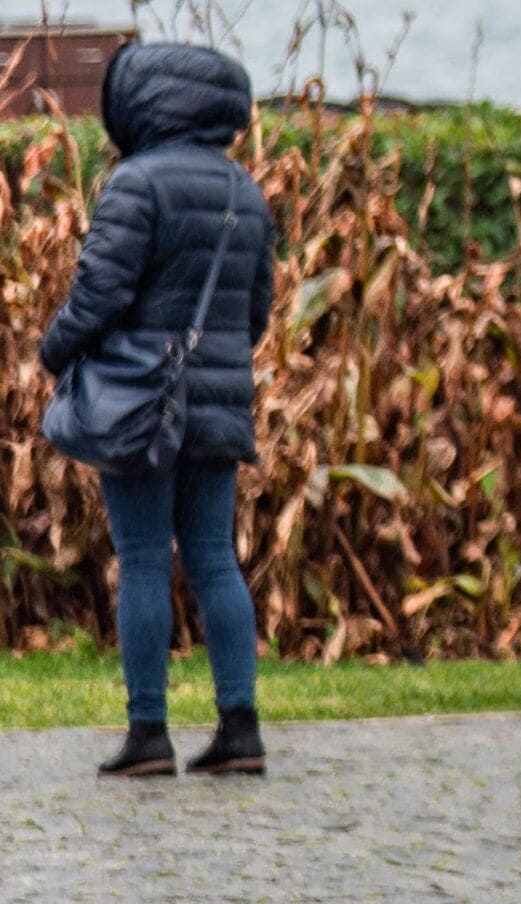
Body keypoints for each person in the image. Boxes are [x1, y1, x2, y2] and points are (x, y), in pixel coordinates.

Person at [36, 42, 275, 780]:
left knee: (143, 559)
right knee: (214, 558)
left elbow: (99, 296)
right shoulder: (244, 191)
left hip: (138, 404)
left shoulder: (136, 183)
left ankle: (148, 733)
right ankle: (240, 728)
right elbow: (256, 313)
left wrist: (54, 352)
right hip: (219, 404)